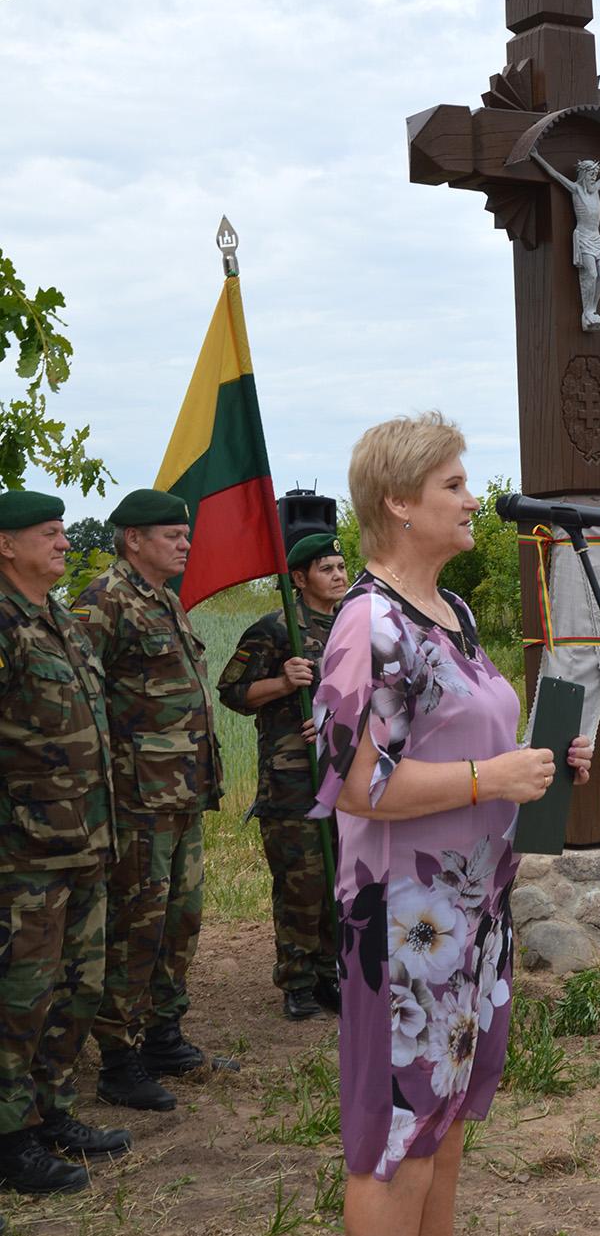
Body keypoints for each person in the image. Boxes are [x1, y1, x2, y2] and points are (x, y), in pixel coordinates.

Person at [310, 412, 592, 1236]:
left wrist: (540, 765)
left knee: (442, 1115)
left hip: (471, 913)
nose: (474, 498)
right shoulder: (368, 625)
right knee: (393, 1128)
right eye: (453, 484)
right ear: (397, 501)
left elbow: (466, 747)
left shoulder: (453, 616)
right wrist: (488, 781)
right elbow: (358, 785)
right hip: (400, 920)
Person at [71, 489, 224, 1110]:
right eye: (172, 535)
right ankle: (118, 1057)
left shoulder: (163, 599)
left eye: (185, 535)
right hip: (137, 800)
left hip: (180, 793)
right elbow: (82, 701)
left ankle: (163, 1033)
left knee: (179, 920)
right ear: (133, 539)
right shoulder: (104, 601)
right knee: (136, 926)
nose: (185, 544)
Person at [0, 490, 130, 1194]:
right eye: (48, 534)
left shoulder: (63, 623)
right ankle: (9, 1138)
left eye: (61, 532)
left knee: (75, 989)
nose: (61, 542)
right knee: (19, 1000)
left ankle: (52, 1113)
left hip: (84, 844)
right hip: (22, 857)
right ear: (6, 545)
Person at [218, 532, 348, 1019]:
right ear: (298, 578)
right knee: (302, 881)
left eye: (340, 567)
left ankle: (328, 973)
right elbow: (231, 691)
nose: (338, 576)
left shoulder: (351, 625)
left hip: (344, 771)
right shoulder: (276, 629)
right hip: (292, 778)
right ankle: (295, 981)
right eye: (326, 569)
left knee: (340, 875)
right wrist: (281, 682)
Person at [529, 146, 600, 331]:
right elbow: (554, 174)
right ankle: (587, 312)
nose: (594, 178)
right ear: (584, 174)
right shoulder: (576, 189)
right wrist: (536, 157)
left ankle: (592, 308)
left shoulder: (596, 189)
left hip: (596, 238)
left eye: (595, 175)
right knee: (590, 274)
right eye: (591, 175)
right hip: (583, 237)